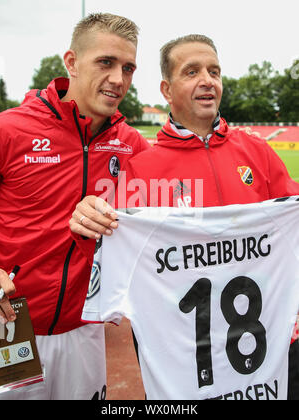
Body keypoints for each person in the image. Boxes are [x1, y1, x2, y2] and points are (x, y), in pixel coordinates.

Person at [70, 34, 299, 399]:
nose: (207, 80)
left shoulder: (257, 152)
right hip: (184, 362)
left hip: (271, 346)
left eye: (214, 71)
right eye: (192, 71)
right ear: (166, 88)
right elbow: (109, 261)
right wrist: (88, 222)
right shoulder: (141, 170)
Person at [0, 12, 149, 400]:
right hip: (10, 323)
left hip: (85, 328)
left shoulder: (132, 144)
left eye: (128, 67)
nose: (119, 78)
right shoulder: (10, 130)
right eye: (106, 62)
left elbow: (176, 211)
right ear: (71, 62)